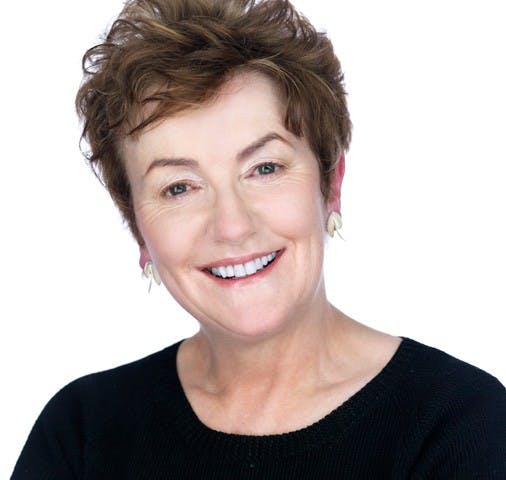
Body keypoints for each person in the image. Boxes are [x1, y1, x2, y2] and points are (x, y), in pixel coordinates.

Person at [12, 0, 505, 478]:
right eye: (179, 187)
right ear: (138, 229)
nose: (232, 225)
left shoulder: (461, 424)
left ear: (330, 185)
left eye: (264, 168)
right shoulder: (81, 433)